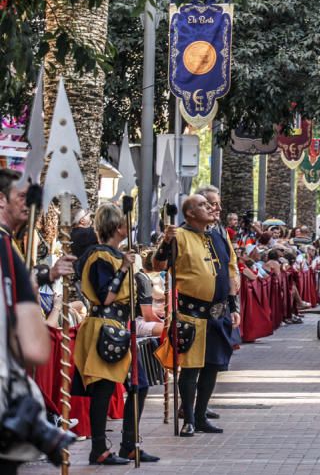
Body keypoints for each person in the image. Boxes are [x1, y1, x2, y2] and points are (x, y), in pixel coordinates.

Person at [71, 203, 158, 464]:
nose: (127, 228)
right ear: (118, 227)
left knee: (139, 385)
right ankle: (99, 449)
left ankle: (129, 444)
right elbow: (105, 296)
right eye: (125, 224)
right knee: (104, 389)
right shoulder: (100, 257)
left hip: (121, 328)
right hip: (104, 328)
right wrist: (122, 269)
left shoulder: (116, 255)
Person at [155, 193, 240, 437]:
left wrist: (233, 306)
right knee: (191, 369)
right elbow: (158, 265)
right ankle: (189, 419)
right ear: (190, 213)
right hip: (192, 314)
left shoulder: (219, 235)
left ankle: (201, 415)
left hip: (218, 313)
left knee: (212, 367)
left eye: (210, 204)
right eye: (203, 205)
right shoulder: (178, 235)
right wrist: (165, 243)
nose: (212, 207)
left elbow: (229, 272)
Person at [1, 169, 65, 473]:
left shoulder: (10, 246)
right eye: (22, 197)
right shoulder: (5, 247)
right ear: (1, 200)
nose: (29, 205)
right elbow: (34, 347)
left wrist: (45, 276)